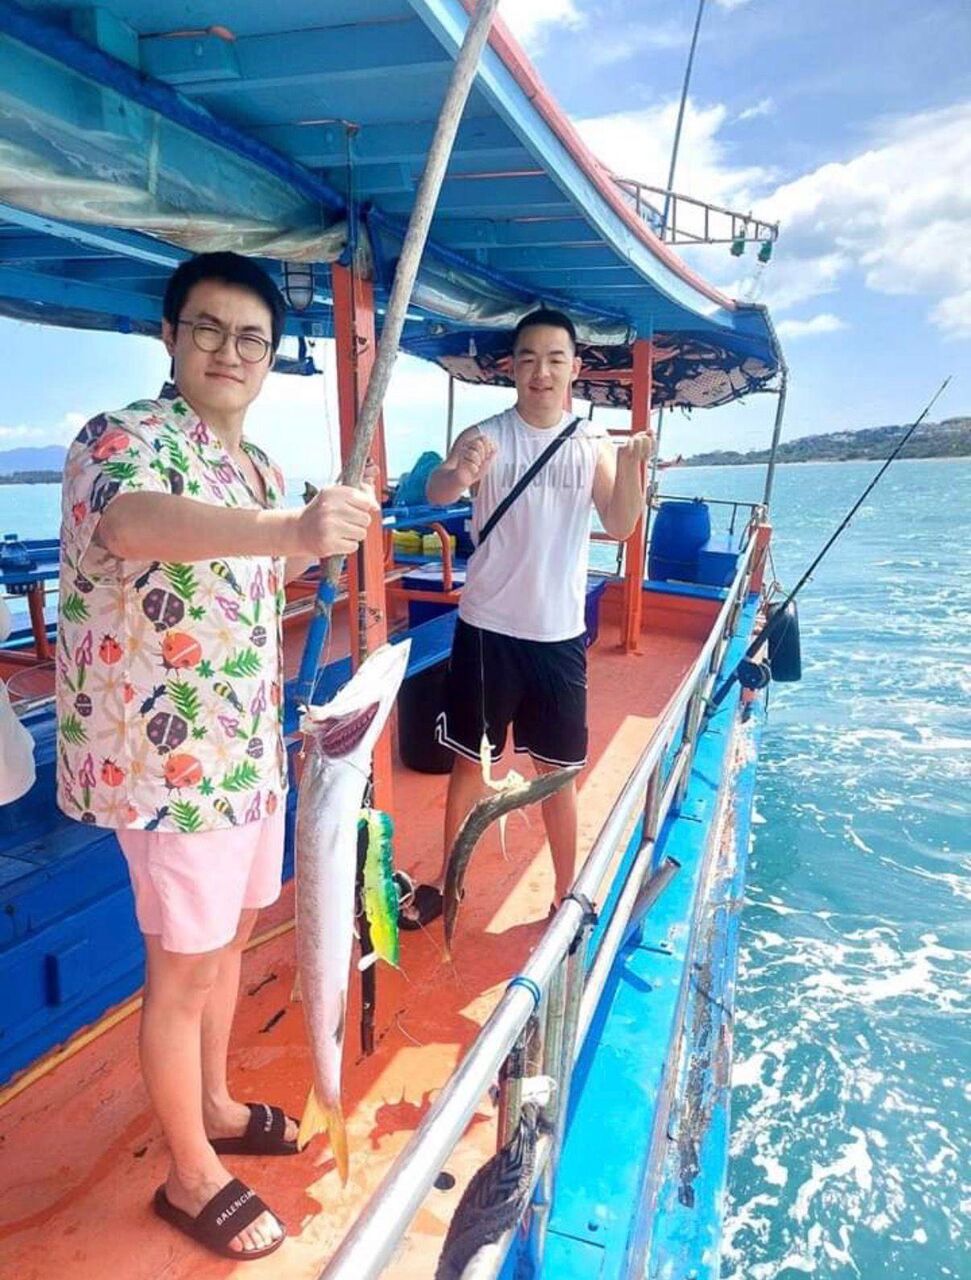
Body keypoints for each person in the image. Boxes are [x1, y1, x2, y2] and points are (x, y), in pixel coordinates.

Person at [55, 252, 377, 1260]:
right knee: (183, 966)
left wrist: (321, 531)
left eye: (249, 338)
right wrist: (288, 524)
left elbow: (272, 554)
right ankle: (190, 1172)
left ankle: (217, 1100)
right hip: (168, 765)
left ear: (269, 356)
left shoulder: (264, 467)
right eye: (206, 328)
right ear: (168, 334)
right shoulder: (122, 437)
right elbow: (133, 520)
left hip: (249, 746)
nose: (227, 350)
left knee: (233, 943)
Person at [402, 309, 653, 929]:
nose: (541, 371)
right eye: (529, 358)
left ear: (575, 367)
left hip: (558, 635)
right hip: (488, 629)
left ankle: (567, 895)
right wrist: (460, 472)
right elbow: (437, 490)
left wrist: (634, 469)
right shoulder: (488, 434)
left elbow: (621, 524)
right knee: (469, 766)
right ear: (511, 366)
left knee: (558, 772)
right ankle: (448, 882)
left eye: (555, 358)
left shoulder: (592, 444)